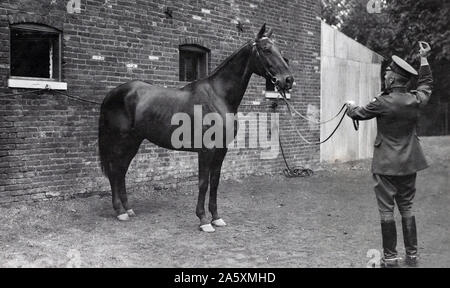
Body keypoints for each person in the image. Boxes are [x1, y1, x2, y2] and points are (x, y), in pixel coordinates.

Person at [346, 42, 433, 267]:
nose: (385, 77)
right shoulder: (415, 100)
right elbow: (426, 85)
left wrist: (349, 107)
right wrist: (424, 59)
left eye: (387, 74)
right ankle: (412, 256)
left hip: (385, 165)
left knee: (386, 211)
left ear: (393, 80)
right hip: (410, 164)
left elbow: (358, 113)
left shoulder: (381, 102)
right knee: (407, 207)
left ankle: (391, 258)